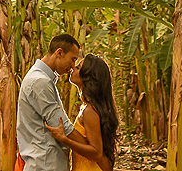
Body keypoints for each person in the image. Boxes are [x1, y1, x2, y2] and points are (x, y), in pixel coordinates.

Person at [17, 34, 83, 171]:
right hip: (45, 164)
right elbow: (61, 125)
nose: (72, 66)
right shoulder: (39, 81)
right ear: (59, 52)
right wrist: (94, 150)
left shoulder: (41, 78)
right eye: (73, 59)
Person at [45, 54, 119, 171]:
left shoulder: (90, 111)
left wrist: (65, 140)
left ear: (88, 77)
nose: (73, 68)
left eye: (78, 67)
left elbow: (97, 153)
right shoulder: (87, 107)